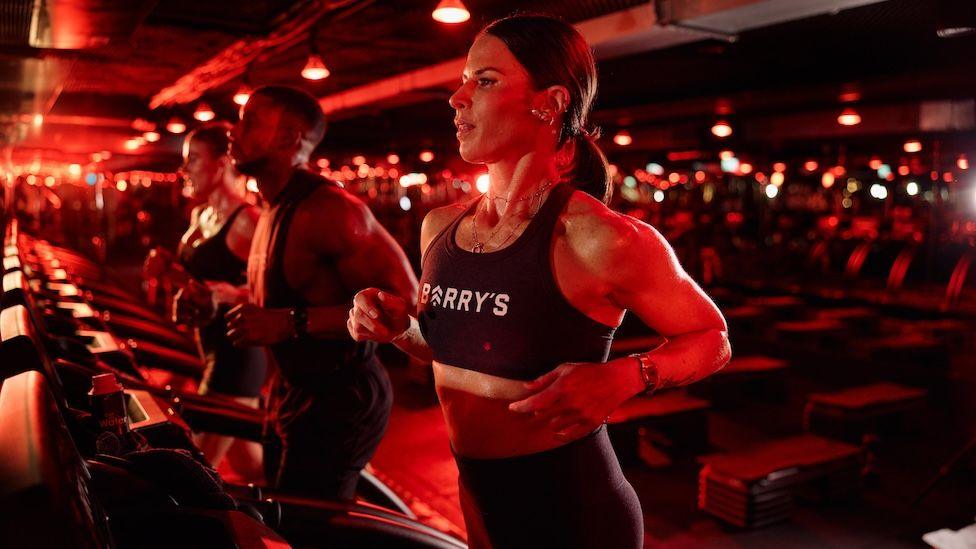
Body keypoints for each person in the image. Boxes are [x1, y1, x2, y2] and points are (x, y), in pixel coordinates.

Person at [347, 14, 731, 549]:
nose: (457, 98)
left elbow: (713, 338)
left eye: (484, 80)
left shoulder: (597, 236)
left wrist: (625, 376)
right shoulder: (441, 226)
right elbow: (454, 358)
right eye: (463, 80)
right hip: (480, 504)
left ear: (548, 103)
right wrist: (397, 329)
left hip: (574, 514)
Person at [224, 85, 418, 500]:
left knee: (308, 527)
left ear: (288, 139)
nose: (233, 130)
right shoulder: (272, 206)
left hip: (340, 397)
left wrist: (288, 323)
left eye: (250, 121)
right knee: (281, 511)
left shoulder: (331, 211)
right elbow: (285, 298)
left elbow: (406, 301)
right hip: (290, 393)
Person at [144, 122, 266, 480]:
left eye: (194, 159)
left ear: (222, 162)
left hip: (236, 359)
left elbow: (270, 294)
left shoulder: (248, 221)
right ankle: (295, 517)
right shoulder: (200, 216)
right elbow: (200, 284)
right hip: (207, 349)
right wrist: (168, 270)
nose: (185, 169)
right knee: (251, 467)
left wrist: (228, 294)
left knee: (192, 473)